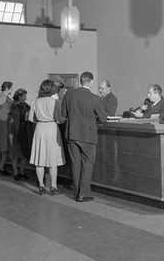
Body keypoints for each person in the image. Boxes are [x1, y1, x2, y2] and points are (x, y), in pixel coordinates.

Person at [61, 72, 107, 202]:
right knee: (88, 163)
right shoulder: (95, 98)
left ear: (80, 81)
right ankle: (84, 193)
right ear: (91, 82)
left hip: (72, 133)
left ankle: (76, 193)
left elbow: (63, 113)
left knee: (75, 163)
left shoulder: (69, 94)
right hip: (88, 134)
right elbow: (103, 119)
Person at [29, 80, 66, 195]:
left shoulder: (36, 101)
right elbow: (59, 119)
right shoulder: (55, 102)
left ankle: (41, 185)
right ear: (52, 89)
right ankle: (53, 187)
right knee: (52, 160)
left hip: (40, 129)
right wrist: (64, 119)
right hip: (52, 129)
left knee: (39, 159)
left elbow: (31, 118)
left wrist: (40, 120)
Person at [0, 81, 13, 176]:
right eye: (11, 88)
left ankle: (0, 167)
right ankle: (1, 168)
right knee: (3, 148)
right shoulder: (3, 98)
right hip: (2, 124)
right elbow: (3, 111)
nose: (12, 90)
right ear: (7, 88)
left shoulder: (1, 97)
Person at [10, 88, 31, 181]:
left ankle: (22, 171)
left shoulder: (25, 105)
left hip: (24, 131)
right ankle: (15, 172)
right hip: (15, 131)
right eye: (24, 96)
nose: (26, 98)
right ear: (19, 96)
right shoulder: (13, 106)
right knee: (15, 153)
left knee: (24, 152)